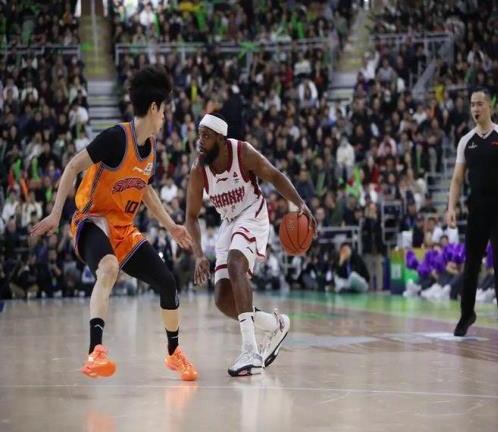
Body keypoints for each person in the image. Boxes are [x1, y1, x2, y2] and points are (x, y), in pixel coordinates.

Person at [31, 66, 198, 381]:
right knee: (108, 268)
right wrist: (55, 213)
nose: (165, 116)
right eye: (164, 109)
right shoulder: (115, 138)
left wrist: (171, 226)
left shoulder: (151, 148)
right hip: (91, 220)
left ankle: (174, 353)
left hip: (123, 229)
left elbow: (145, 190)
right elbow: (72, 166)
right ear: (154, 108)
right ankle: (95, 352)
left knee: (167, 282)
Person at [186, 113, 316, 376]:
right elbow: (191, 216)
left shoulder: (243, 152)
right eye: (199, 135)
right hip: (228, 222)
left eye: (206, 136)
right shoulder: (199, 170)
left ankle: (250, 351)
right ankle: (275, 325)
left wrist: (300, 203)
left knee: (236, 263)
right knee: (223, 300)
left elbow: (275, 176)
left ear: (221, 139)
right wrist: (199, 255)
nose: (200, 141)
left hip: (252, 214)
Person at [446, 87, 498, 336]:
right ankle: (467, 314)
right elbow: (457, 179)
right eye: (472, 104)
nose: (475, 108)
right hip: (477, 210)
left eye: (479, 104)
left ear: (489, 106)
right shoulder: (465, 141)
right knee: (471, 266)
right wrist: (451, 208)